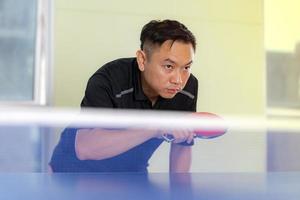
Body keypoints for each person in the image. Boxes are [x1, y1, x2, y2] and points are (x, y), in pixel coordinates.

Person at [49, 19, 198, 172]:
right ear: (142, 60)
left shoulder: (187, 88)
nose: (178, 80)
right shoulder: (108, 79)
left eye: (186, 67)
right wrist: (156, 127)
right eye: (169, 66)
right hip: (75, 171)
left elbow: (182, 146)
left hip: (131, 172)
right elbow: (85, 149)